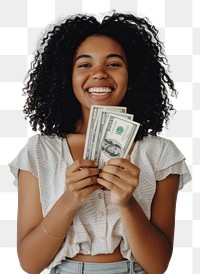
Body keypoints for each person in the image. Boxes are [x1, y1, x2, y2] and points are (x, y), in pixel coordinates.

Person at [9, 12, 192, 274]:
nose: (99, 74)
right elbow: (30, 263)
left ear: (133, 76)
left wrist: (128, 203)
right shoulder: (40, 151)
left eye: (114, 64)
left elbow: (157, 265)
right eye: (84, 65)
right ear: (66, 77)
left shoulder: (160, 153)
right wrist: (69, 201)